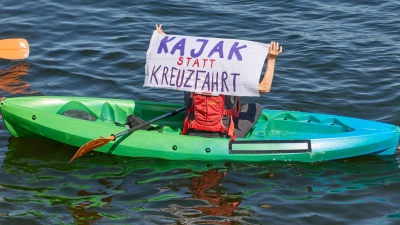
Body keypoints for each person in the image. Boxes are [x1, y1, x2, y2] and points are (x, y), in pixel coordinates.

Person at [155, 24, 282, 139]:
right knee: (255, 107)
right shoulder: (232, 81)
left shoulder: (191, 76)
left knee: (189, 98)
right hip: (224, 134)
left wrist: (165, 40)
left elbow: (173, 61)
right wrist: (271, 59)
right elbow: (265, 88)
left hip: (191, 131)